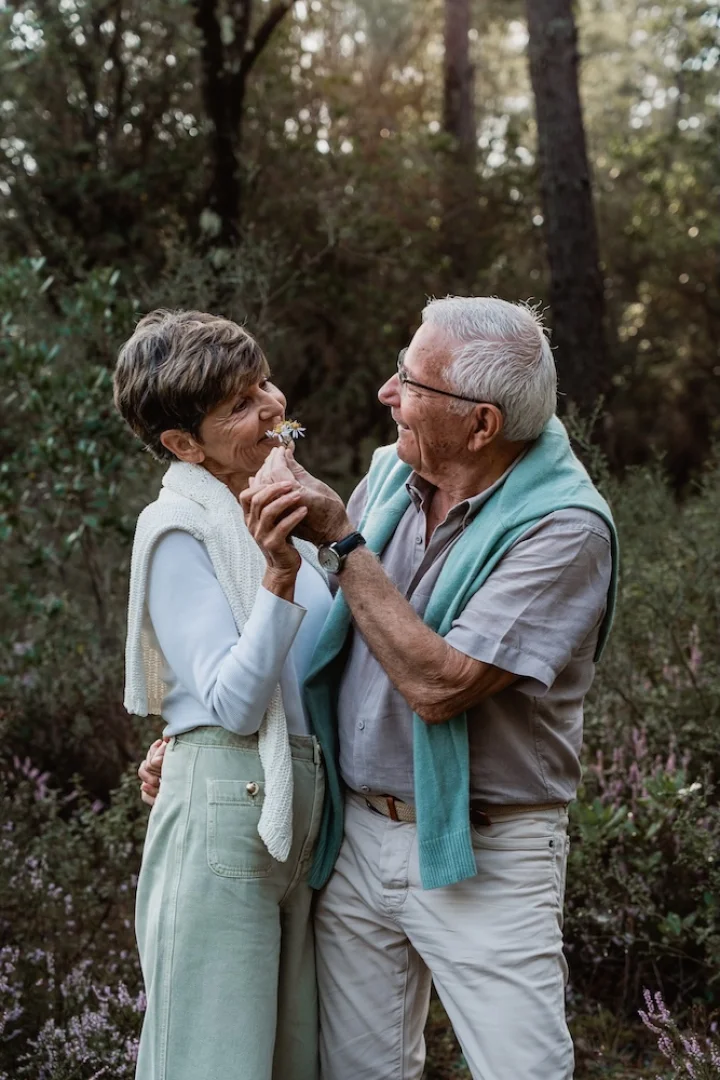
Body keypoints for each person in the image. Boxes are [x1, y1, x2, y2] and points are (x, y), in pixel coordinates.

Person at [141, 296, 619, 1080]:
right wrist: (196, 737)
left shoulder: (565, 530)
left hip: (486, 852)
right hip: (354, 839)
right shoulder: (393, 474)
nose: (386, 393)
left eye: (412, 382)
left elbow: (439, 685)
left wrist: (340, 537)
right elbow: (323, 637)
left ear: (481, 424)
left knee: (524, 1069)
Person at [114, 309, 332, 1080]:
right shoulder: (177, 527)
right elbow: (233, 707)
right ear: (183, 445)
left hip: (298, 826)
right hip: (227, 819)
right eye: (239, 404)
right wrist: (278, 576)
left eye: (264, 382)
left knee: (286, 1063)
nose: (272, 404)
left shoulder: (282, 510)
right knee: (212, 1062)